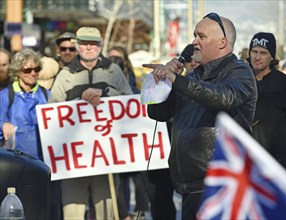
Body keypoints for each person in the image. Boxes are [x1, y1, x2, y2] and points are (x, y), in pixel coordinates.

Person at [143, 13, 257, 219]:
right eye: (195, 35)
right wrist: (163, 83)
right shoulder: (194, 75)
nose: (194, 42)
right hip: (189, 188)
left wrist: (178, 81)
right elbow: (158, 113)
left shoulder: (240, 71)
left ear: (222, 42)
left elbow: (224, 98)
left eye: (201, 36)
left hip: (220, 187)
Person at [48, 27, 133, 220]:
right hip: (74, 159)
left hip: (106, 158)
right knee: (72, 213)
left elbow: (131, 103)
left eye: (93, 43)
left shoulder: (114, 70)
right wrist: (78, 100)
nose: (89, 47)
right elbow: (52, 111)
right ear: (77, 46)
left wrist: (106, 93)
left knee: (106, 213)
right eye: (84, 43)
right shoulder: (65, 74)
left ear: (100, 46)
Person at [0, 48, 62, 220]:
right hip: (17, 164)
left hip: (44, 163)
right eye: (27, 69)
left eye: (36, 69)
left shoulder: (47, 95)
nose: (32, 73)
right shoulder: (6, 95)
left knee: (44, 208)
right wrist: (3, 124)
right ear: (18, 71)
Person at [247, 32, 286, 174]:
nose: (257, 57)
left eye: (263, 53)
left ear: (272, 56)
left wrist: (282, 145)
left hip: (277, 160)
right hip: (247, 159)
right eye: (254, 51)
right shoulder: (240, 81)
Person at [107, 46, 149, 220]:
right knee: (118, 183)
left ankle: (141, 213)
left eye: (118, 59)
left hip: (134, 138)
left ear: (125, 61)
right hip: (114, 139)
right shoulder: (105, 79)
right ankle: (123, 214)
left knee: (140, 181)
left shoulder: (137, 81)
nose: (115, 63)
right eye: (111, 59)